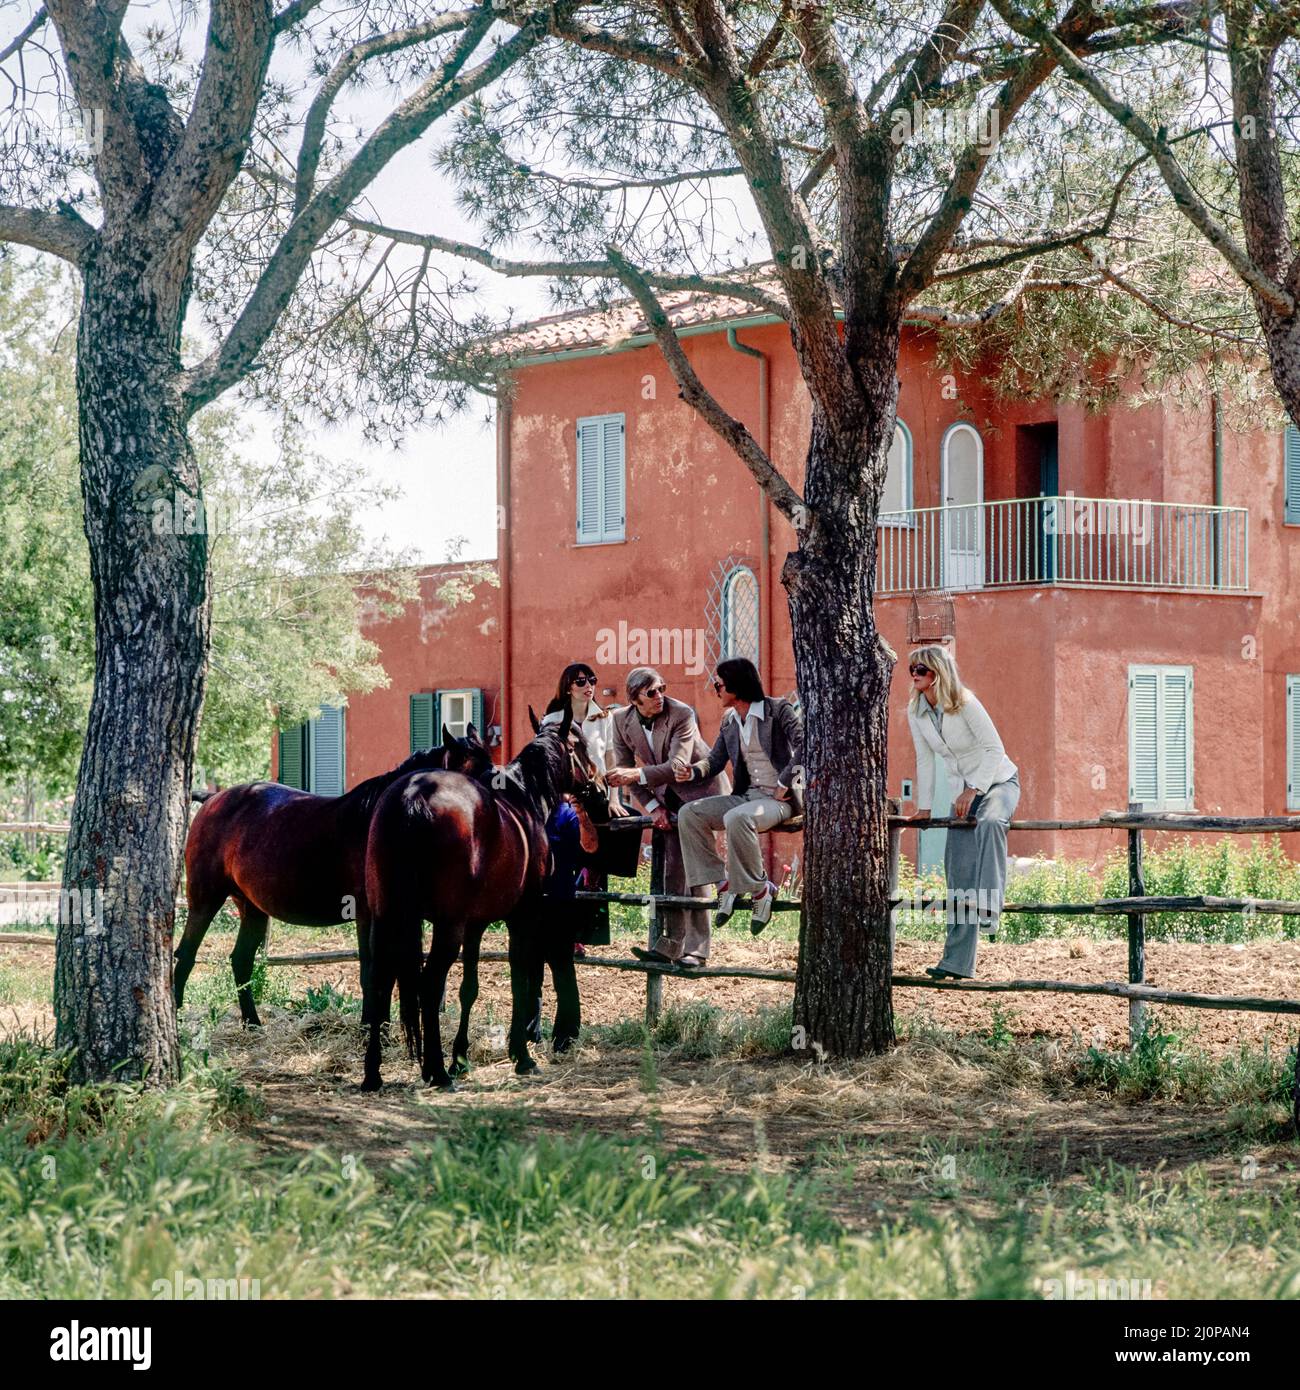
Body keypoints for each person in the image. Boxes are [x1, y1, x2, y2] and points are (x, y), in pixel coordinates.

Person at [904, 644, 1020, 980]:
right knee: (958, 872)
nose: (914, 675)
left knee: (992, 821)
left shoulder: (965, 703)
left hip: (998, 782)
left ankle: (990, 907)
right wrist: (925, 807)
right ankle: (956, 962)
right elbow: (925, 759)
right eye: (912, 669)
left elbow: (994, 748)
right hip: (962, 795)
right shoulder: (917, 711)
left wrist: (975, 789)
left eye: (921, 670)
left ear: (937, 673)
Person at [605, 666, 731, 968]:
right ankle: (671, 947)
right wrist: (652, 807)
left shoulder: (682, 713)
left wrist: (635, 773)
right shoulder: (620, 720)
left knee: (696, 870)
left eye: (662, 688)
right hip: (666, 800)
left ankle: (697, 952)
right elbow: (624, 775)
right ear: (635, 698)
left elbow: (677, 764)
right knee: (672, 872)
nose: (660, 695)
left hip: (703, 795)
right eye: (652, 692)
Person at [675, 657, 804, 937]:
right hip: (747, 796)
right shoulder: (730, 720)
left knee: (737, 817)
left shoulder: (777, 709)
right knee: (689, 813)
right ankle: (723, 886)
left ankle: (760, 891)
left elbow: (807, 744)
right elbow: (715, 761)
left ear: (736, 684)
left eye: (719, 683)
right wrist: (693, 771)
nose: (715, 689)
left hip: (779, 801)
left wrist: (787, 781)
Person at [524, 792, 600, 1053]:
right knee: (528, 974)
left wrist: (581, 815)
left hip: (559, 902)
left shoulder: (566, 813)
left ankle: (566, 1040)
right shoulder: (526, 810)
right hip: (529, 904)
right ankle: (528, 1036)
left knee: (563, 972)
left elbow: (590, 847)